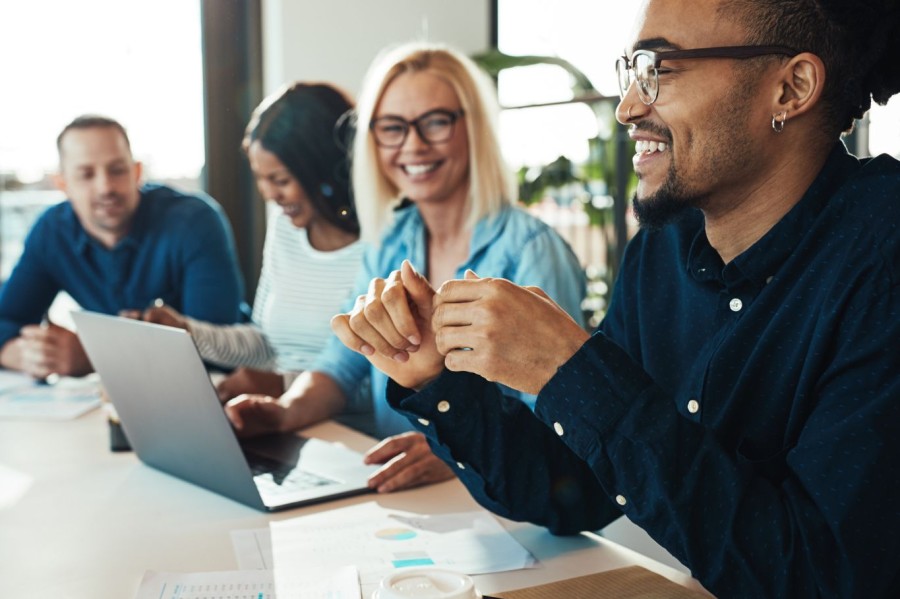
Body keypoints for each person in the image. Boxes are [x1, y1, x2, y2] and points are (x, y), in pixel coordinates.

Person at [331, 0, 900, 596]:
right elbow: (573, 489)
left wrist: (572, 371)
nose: (628, 107)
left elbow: (824, 575)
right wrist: (435, 380)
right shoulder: (664, 248)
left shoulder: (882, 261)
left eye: (661, 68)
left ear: (792, 88)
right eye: (631, 69)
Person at [224, 42, 587, 494]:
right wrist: (286, 410)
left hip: (501, 501)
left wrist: (453, 450)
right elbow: (343, 363)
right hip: (398, 494)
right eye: (392, 127)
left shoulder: (532, 250)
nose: (413, 145)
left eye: (435, 122)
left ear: (473, 128)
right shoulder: (391, 240)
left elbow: (562, 418)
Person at [139, 83, 366, 401]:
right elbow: (265, 343)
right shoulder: (286, 229)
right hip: (281, 417)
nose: (269, 195)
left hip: (344, 432)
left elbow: (390, 386)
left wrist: (283, 387)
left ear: (325, 168)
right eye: (261, 178)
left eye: (281, 180)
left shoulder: (386, 245)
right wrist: (186, 332)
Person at [0, 115, 244, 380]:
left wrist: (97, 355)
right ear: (63, 184)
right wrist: (22, 353)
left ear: (136, 172)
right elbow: (7, 318)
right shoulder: (52, 232)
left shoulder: (194, 222)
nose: (105, 187)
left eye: (117, 170)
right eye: (86, 174)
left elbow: (217, 347)